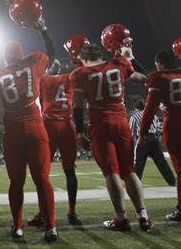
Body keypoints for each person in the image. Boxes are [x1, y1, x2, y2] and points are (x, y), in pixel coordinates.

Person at [0, 19, 58, 242]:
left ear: (5, 57)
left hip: (13, 131)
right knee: (42, 179)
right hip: (35, 128)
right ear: (21, 53)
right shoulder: (33, 62)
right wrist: (43, 29)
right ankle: (51, 227)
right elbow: (52, 53)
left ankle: (17, 226)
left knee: (16, 182)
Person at [71, 43, 153, 231]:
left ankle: (122, 219)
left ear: (83, 59)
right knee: (129, 170)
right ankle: (143, 217)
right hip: (121, 122)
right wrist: (131, 58)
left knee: (111, 172)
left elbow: (77, 106)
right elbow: (144, 79)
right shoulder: (119, 64)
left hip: (100, 125)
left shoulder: (80, 74)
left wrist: (80, 133)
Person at [27, 59, 81, 227]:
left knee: (43, 173)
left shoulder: (43, 79)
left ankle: (43, 213)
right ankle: (72, 212)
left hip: (49, 126)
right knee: (70, 171)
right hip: (67, 125)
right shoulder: (70, 77)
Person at [138, 50, 181, 221]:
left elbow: (150, 109)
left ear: (160, 63)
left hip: (174, 124)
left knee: (179, 170)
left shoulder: (158, 77)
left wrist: (142, 132)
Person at [129, 99, 175, 185]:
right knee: (161, 161)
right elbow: (158, 128)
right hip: (154, 138)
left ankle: (135, 183)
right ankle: (172, 181)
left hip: (142, 139)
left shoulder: (134, 116)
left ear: (136, 107)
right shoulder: (153, 115)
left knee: (139, 162)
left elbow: (131, 131)